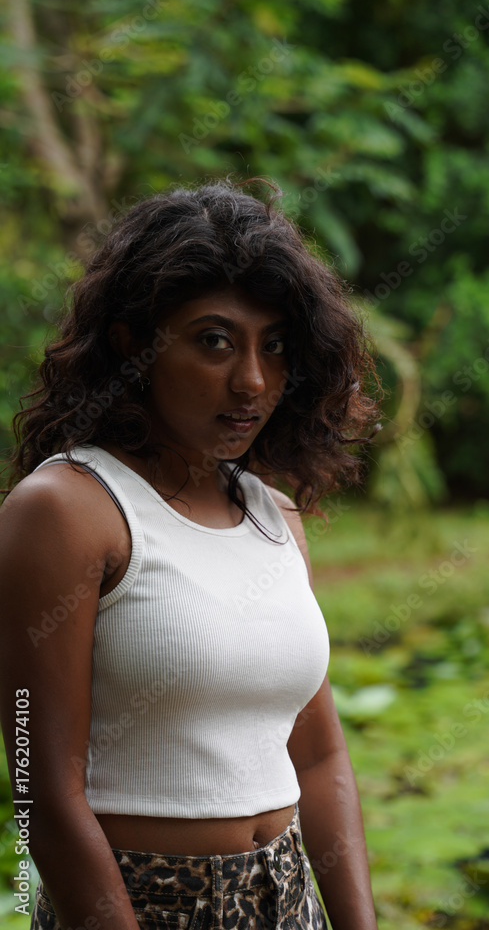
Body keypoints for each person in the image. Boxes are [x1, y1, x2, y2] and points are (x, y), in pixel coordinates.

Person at [0, 178, 383, 930]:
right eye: (214, 340)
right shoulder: (67, 511)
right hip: (141, 906)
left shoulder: (275, 516)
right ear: (131, 345)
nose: (252, 380)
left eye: (274, 346)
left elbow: (318, 758)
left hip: (289, 899)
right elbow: (39, 788)